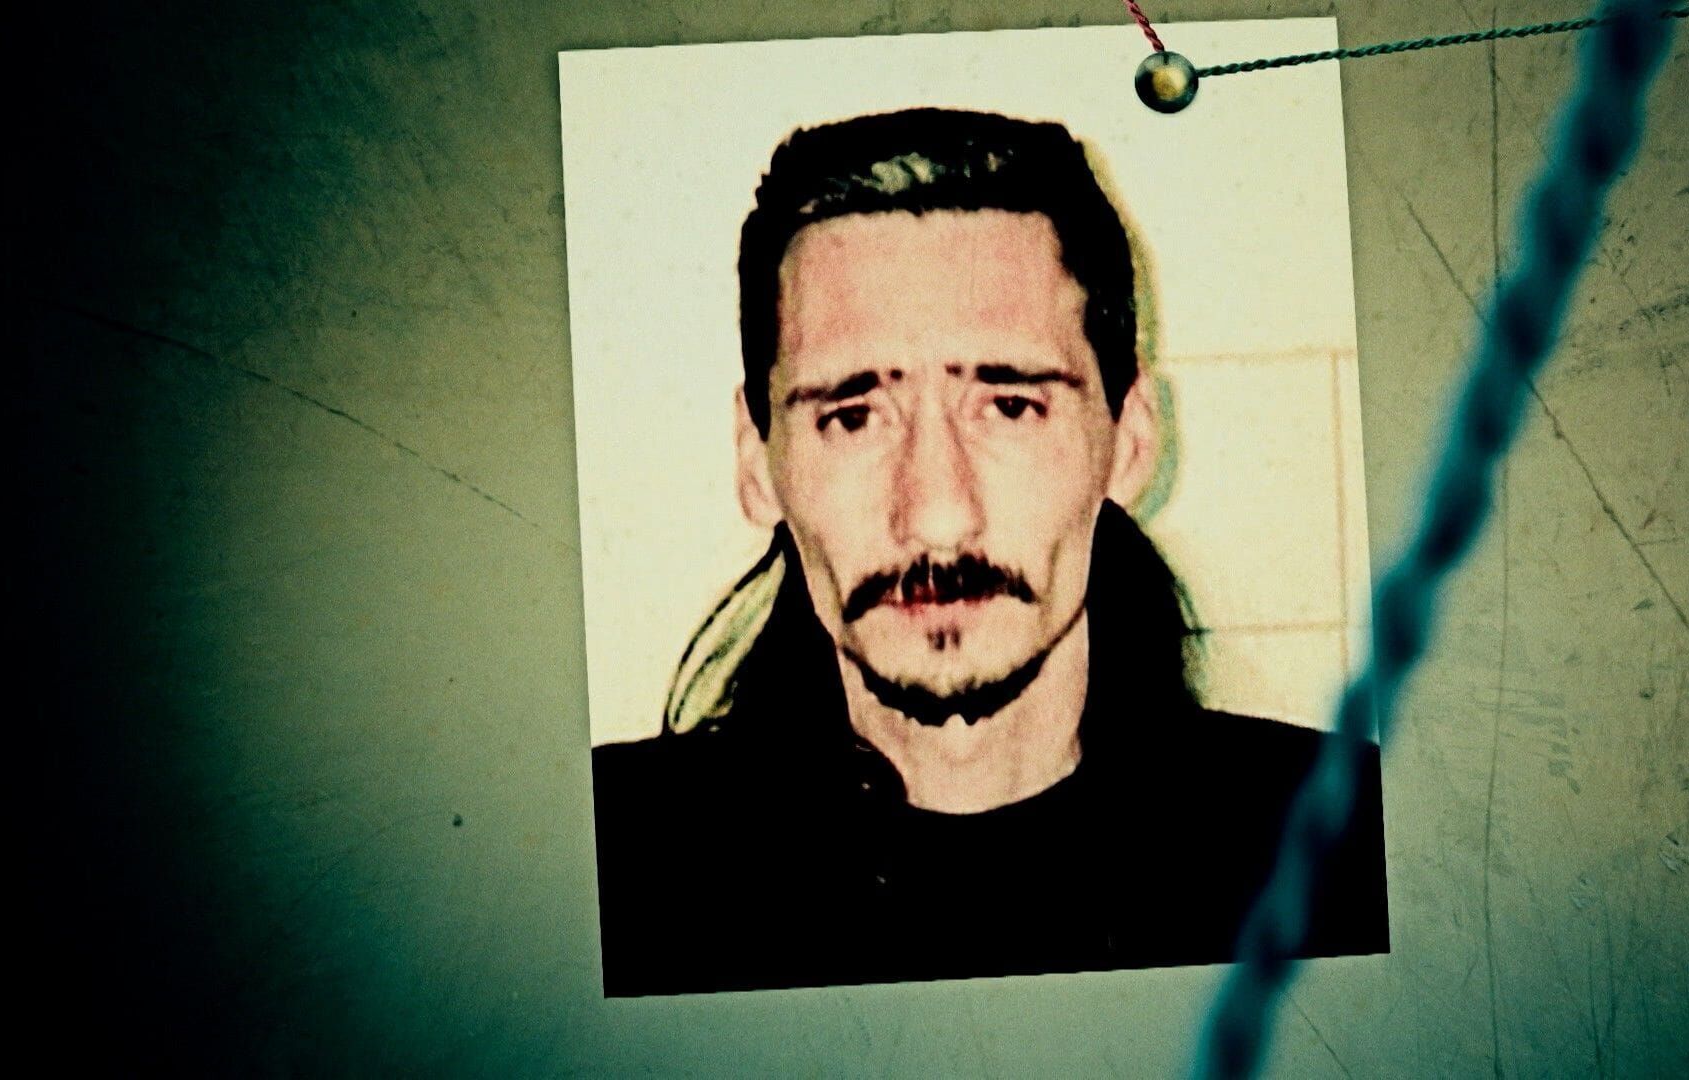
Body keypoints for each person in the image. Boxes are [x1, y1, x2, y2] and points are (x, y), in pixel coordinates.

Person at [591, 107, 1386, 996]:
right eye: (852, 417)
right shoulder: (597, 868)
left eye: (1010, 407)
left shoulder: (1350, 846)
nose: (938, 517)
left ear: (1129, 439)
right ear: (756, 462)